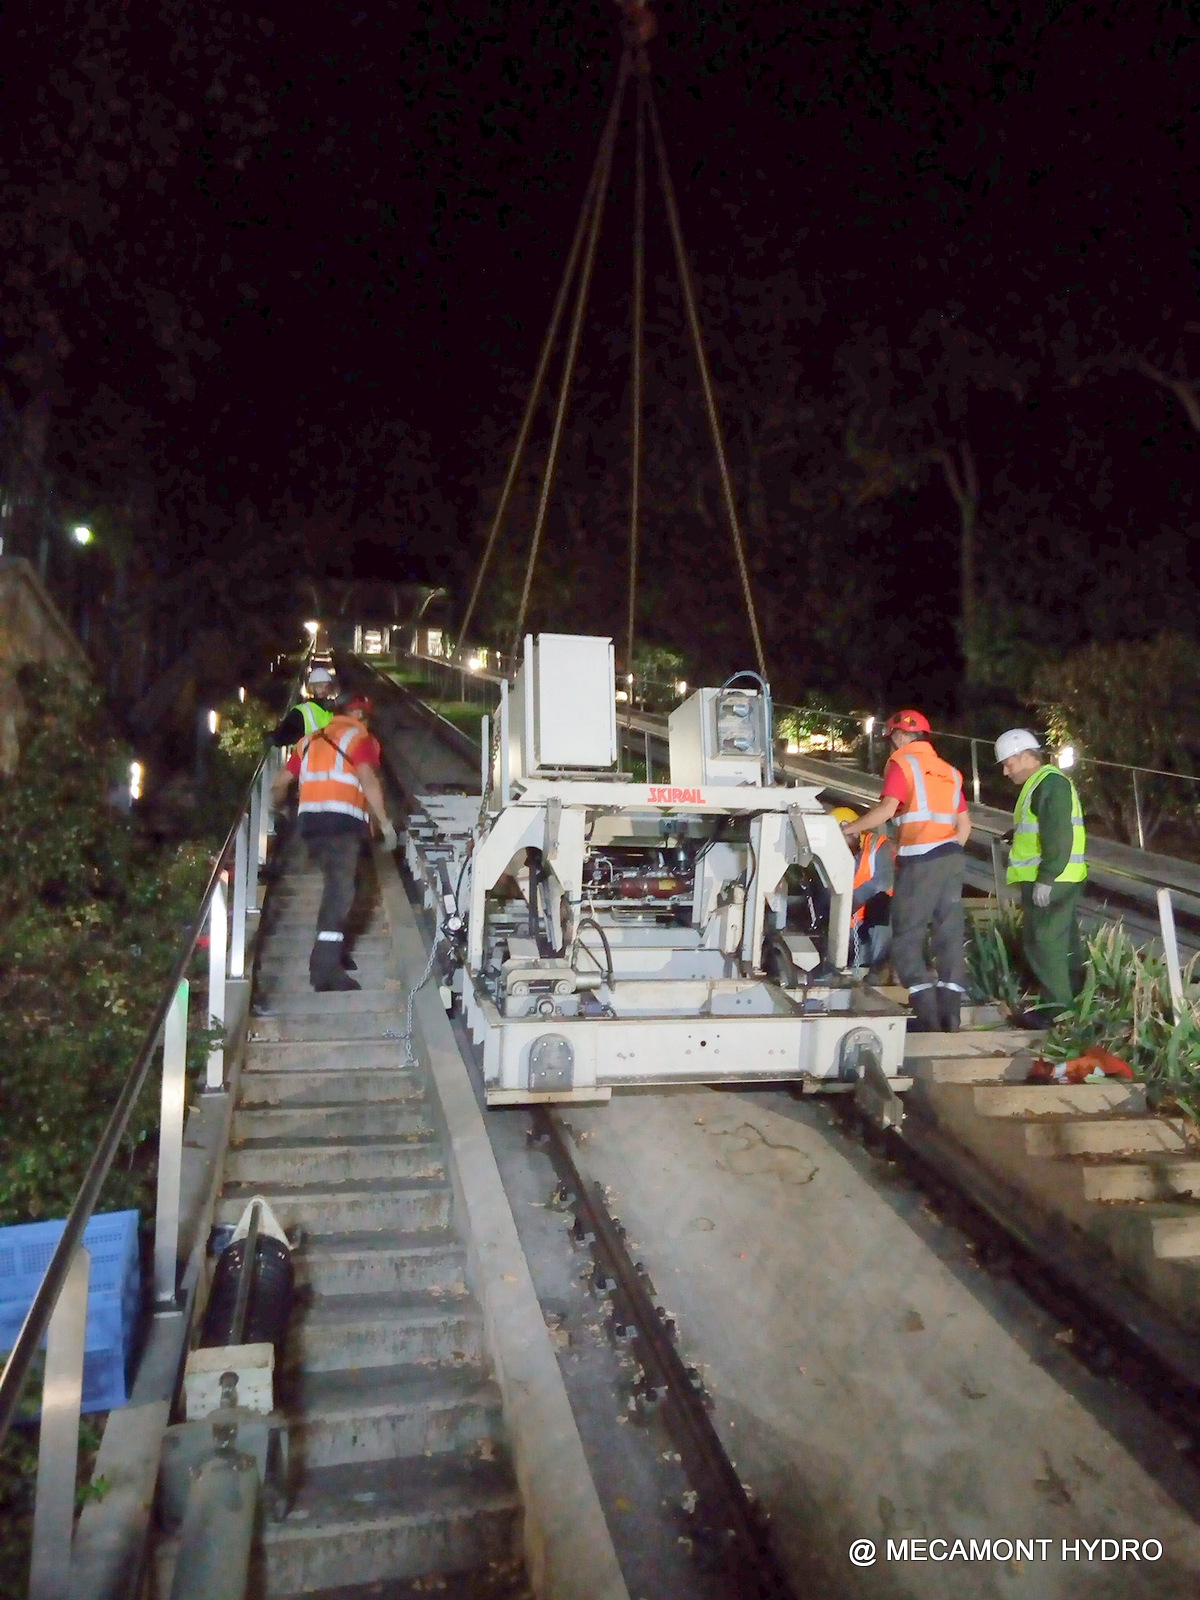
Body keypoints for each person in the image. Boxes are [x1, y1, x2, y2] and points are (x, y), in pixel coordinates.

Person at [841, 710, 971, 1032]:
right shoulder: (950, 772)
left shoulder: (902, 764)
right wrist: (948, 848)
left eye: (892, 739)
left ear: (899, 736)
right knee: (948, 934)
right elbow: (965, 825)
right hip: (952, 858)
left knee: (907, 937)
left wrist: (848, 829)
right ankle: (950, 1014)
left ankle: (926, 1014)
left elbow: (886, 809)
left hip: (920, 861)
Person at [270, 694, 398, 991]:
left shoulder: (310, 740)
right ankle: (324, 970)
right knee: (339, 890)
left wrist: (280, 807)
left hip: (310, 822)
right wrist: (385, 822)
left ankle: (335, 951)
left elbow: (280, 784)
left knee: (346, 881)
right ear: (360, 716)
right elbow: (368, 779)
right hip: (342, 821)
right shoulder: (360, 738)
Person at [995, 728, 1088, 1028]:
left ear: (1026, 756)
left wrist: (1046, 878)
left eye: (1009, 763)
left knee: (1043, 942)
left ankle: (1057, 1011)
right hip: (1060, 877)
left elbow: (1058, 835)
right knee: (1064, 941)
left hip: (1051, 881)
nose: (1006, 772)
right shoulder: (1042, 784)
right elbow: (1043, 827)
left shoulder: (1049, 784)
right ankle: (1076, 1001)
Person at [831, 805, 895, 970]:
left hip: (872, 919)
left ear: (855, 832)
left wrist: (852, 901)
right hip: (845, 924)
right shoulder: (830, 853)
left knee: (881, 902)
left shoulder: (876, 846)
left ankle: (879, 967)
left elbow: (883, 882)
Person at [269, 664, 337, 748]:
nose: (323, 690)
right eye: (319, 686)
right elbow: (282, 737)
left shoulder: (334, 711)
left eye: (326, 687)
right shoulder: (300, 712)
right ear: (311, 688)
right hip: (309, 759)